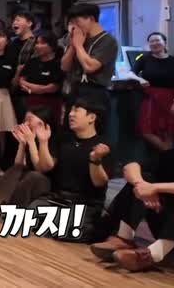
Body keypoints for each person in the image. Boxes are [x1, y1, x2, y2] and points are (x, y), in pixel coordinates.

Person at [90, 109, 174, 272]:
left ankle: (153, 255)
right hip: (167, 226)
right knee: (141, 179)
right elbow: (131, 166)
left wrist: (154, 188)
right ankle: (124, 238)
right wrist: (141, 185)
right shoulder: (173, 156)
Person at [30, 98, 113, 242]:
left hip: (85, 204)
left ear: (91, 118)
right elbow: (44, 167)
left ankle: (96, 226)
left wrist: (95, 159)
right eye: (71, 110)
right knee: (29, 216)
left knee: (62, 228)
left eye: (76, 110)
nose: (71, 114)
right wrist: (43, 142)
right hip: (57, 199)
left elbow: (99, 182)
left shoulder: (103, 145)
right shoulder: (63, 139)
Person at [60, 3, 119, 128]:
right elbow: (64, 66)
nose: (74, 26)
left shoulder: (108, 40)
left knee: (92, 131)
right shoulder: (77, 38)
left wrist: (79, 46)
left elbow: (90, 67)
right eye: (71, 23)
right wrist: (73, 46)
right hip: (75, 90)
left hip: (95, 93)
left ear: (91, 19)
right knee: (69, 130)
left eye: (77, 21)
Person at [0, 106, 55, 206]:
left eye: (29, 120)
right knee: (16, 170)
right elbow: (18, 165)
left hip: (44, 182)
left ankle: (7, 205)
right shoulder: (30, 138)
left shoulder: (53, 139)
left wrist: (31, 142)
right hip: (29, 179)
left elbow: (40, 169)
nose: (25, 124)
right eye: (25, 120)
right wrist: (22, 144)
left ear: (42, 123)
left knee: (33, 175)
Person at [131, 32, 174, 151]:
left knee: (169, 131)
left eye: (157, 40)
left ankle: (169, 157)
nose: (154, 43)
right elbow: (130, 73)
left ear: (164, 43)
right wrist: (140, 79)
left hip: (169, 99)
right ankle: (169, 153)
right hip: (150, 99)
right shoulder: (144, 59)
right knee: (146, 130)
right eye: (151, 41)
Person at [19, 31, 64, 124]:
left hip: (51, 103)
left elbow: (52, 88)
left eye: (42, 43)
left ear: (52, 46)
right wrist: (39, 89)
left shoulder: (58, 63)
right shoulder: (32, 61)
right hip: (31, 103)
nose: (38, 46)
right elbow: (21, 81)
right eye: (37, 43)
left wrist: (31, 89)